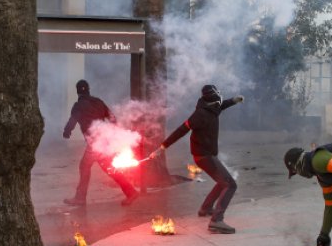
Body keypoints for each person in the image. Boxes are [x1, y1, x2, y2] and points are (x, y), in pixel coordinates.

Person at [149, 85, 243, 234]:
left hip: (207, 155)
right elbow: (181, 130)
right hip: (204, 156)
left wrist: (233, 101)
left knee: (222, 181)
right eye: (218, 95)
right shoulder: (200, 115)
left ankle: (205, 208)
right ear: (213, 97)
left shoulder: (212, 108)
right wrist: (162, 147)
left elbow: (221, 106)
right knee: (230, 184)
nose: (220, 98)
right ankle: (216, 221)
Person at [63, 79, 139, 207]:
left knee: (84, 166)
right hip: (104, 140)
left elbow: (72, 121)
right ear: (88, 90)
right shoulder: (98, 102)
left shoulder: (78, 106)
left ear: (77, 92)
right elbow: (112, 118)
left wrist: (67, 132)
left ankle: (80, 198)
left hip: (95, 143)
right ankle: (131, 192)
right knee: (109, 169)